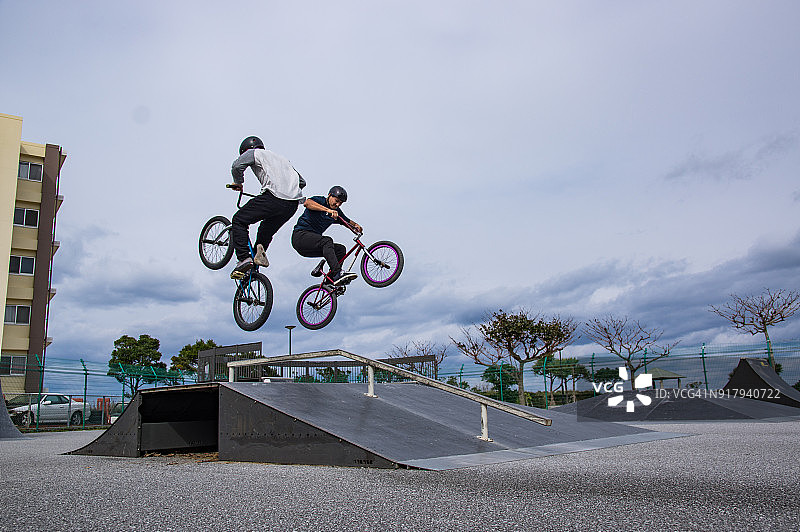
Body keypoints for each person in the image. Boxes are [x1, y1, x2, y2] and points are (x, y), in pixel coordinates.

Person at [229, 136, 306, 279]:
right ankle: (256, 260)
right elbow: (302, 182)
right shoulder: (284, 160)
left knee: (239, 220)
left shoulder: (254, 153)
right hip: (291, 205)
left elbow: (236, 166)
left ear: (246, 150)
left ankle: (244, 259)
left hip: (273, 198)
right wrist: (288, 188)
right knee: (265, 230)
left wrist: (238, 182)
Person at [292, 186, 362, 286]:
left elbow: (347, 221)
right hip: (300, 237)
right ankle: (337, 273)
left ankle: (330, 282)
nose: (337, 204)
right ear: (329, 195)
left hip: (311, 245)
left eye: (340, 203)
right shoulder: (320, 201)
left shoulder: (337, 212)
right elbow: (307, 203)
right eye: (336, 201)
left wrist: (356, 225)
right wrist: (328, 211)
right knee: (327, 241)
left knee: (340, 249)